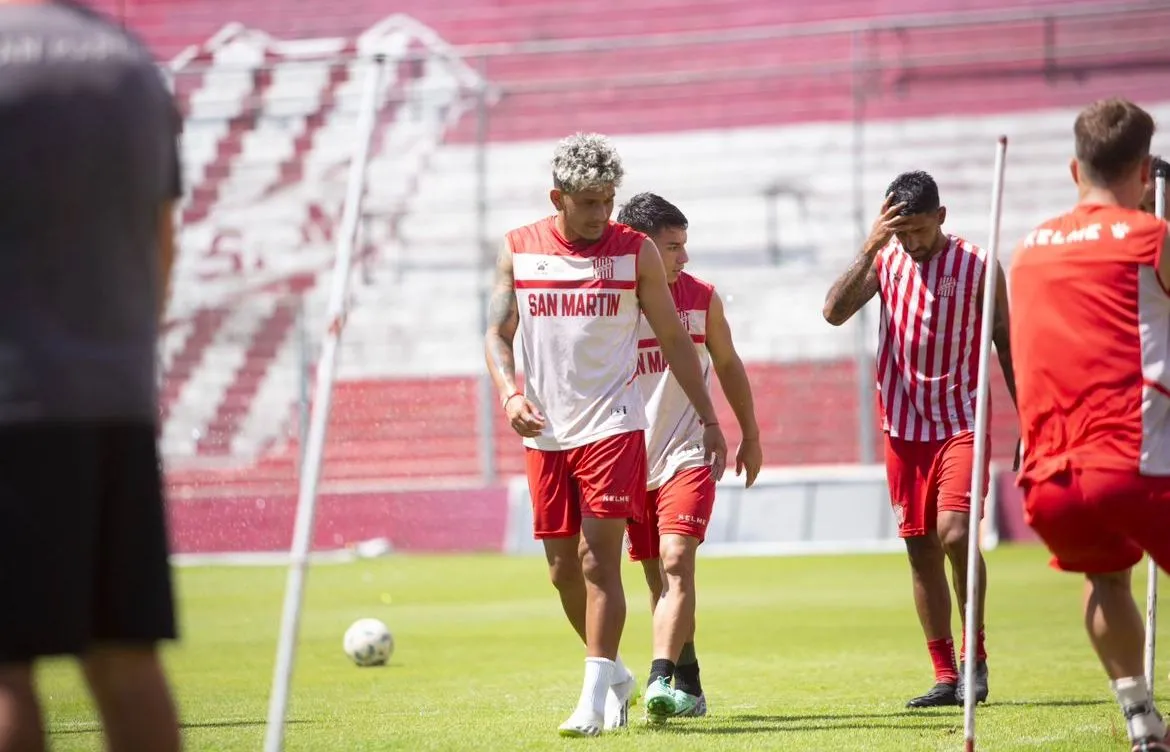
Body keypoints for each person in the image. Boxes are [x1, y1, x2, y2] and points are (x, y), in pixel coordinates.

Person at [484, 133, 728, 737]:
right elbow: (495, 334)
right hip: (544, 430)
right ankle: (614, 671)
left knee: (598, 562)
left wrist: (713, 420)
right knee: (562, 570)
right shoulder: (518, 249)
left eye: (606, 200)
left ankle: (592, 700)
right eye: (587, 202)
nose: (599, 214)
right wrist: (509, 393)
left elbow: (674, 340)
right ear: (557, 197)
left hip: (614, 426)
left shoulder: (634, 252)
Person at [0, 2, 183, 752]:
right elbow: (162, 238)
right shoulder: (130, 63)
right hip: (113, 398)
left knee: (6, 670)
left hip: (9, 398)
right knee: (128, 658)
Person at [1010, 97, 1170, 752]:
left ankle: (1141, 720)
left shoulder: (1027, 250)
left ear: (1075, 171)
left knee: (1106, 579)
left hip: (1049, 481)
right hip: (1131, 462)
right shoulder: (1151, 239)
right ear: (1143, 171)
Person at [822, 171, 1016, 708]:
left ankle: (974, 660)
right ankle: (944, 674)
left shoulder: (978, 265)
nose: (911, 242)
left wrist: (1032, 421)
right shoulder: (885, 261)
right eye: (901, 232)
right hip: (904, 426)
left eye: (919, 231)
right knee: (920, 548)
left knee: (956, 535)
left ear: (942, 216)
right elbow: (834, 312)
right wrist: (870, 246)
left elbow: (1005, 342)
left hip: (962, 421)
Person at [614, 193, 762, 722]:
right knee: (658, 580)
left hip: (688, 452)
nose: (683, 257)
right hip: (631, 457)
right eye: (672, 246)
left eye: (683, 245)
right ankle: (691, 682)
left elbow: (727, 362)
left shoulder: (702, 298)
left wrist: (749, 432)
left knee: (677, 563)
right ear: (642, 247)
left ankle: (657, 680)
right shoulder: (613, 304)